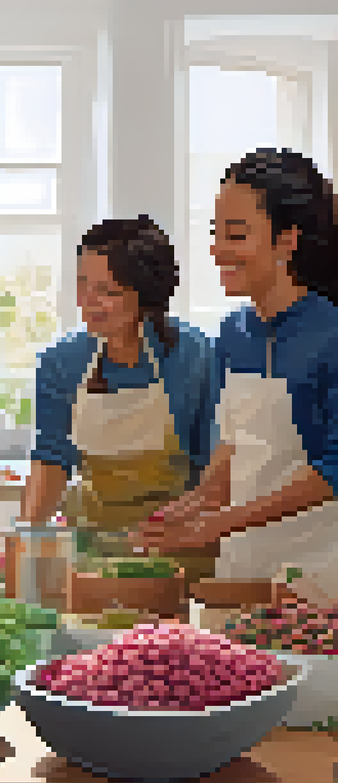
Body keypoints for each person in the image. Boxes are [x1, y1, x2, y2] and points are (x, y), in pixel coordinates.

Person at [135, 148, 338, 605]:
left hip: (322, 573)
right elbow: (235, 441)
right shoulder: (233, 332)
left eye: (236, 234)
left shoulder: (331, 333)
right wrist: (199, 501)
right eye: (215, 233)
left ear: (288, 239)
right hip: (243, 565)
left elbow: (332, 471)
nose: (218, 249)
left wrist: (217, 522)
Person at [19, 217, 221, 581]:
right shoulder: (61, 362)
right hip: (90, 549)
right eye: (82, 285)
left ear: (146, 295)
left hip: (178, 549)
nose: (88, 302)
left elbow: (213, 463)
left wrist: (187, 525)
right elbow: (52, 460)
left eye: (107, 291)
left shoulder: (194, 356)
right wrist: (25, 534)